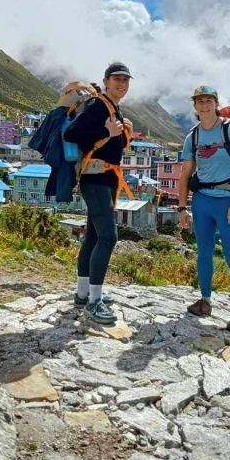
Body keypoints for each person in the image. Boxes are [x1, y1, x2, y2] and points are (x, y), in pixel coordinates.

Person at [63, 62, 133, 325]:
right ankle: (94, 301)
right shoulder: (99, 105)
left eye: (125, 80)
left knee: (93, 236)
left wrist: (123, 133)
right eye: (116, 79)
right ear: (106, 81)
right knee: (108, 237)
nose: (121, 84)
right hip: (96, 179)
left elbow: (105, 143)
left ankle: (83, 294)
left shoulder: (113, 107)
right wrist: (107, 131)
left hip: (105, 178)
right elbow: (72, 133)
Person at [178, 85, 230, 332]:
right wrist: (181, 208)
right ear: (195, 106)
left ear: (216, 103)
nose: (204, 105)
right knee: (204, 253)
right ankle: (205, 301)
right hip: (201, 201)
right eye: (200, 101)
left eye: (209, 100)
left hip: (227, 201)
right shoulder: (193, 137)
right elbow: (185, 174)